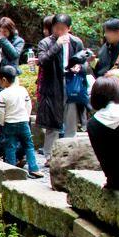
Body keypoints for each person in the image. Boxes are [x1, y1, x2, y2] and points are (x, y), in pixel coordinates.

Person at [30, 14, 87, 156]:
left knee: (71, 119)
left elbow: (83, 60)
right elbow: (43, 61)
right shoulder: (46, 43)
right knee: (52, 123)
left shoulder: (76, 42)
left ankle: (69, 155)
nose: (59, 32)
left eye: (63, 29)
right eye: (56, 28)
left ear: (69, 28)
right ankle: (49, 155)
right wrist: (57, 45)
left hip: (71, 83)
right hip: (52, 84)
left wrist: (79, 67)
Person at [0, 65, 41, 177]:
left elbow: (1, 111)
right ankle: (34, 168)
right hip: (23, 122)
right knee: (28, 145)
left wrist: (2, 122)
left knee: (10, 146)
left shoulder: (3, 94)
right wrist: (26, 117)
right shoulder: (22, 90)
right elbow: (28, 105)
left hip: (9, 124)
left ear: (3, 79)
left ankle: (12, 170)